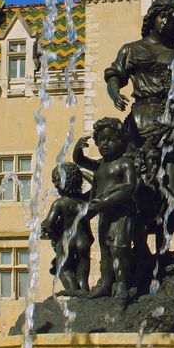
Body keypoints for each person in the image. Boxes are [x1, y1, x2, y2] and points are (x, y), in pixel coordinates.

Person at [104, 0, 174, 231]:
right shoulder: (132, 50)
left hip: (170, 117)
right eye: (163, 16)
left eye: (173, 19)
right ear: (152, 17)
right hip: (140, 116)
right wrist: (114, 94)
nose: (167, 23)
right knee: (131, 168)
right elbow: (114, 76)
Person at [73, 117, 136, 298]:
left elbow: (130, 188)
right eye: (101, 141)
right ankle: (106, 284)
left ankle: (122, 284)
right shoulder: (100, 164)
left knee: (119, 248)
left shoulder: (125, 163)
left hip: (121, 212)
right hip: (103, 213)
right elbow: (81, 161)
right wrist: (77, 150)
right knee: (105, 249)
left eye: (110, 140)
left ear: (121, 141)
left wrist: (106, 201)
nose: (105, 144)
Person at [40, 162, 93, 294]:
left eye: (56, 181)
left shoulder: (59, 203)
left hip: (66, 241)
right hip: (84, 240)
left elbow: (48, 224)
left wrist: (46, 229)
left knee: (64, 270)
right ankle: (84, 292)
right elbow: (96, 184)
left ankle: (73, 292)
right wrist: (81, 174)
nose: (55, 185)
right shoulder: (84, 200)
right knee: (83, 270)